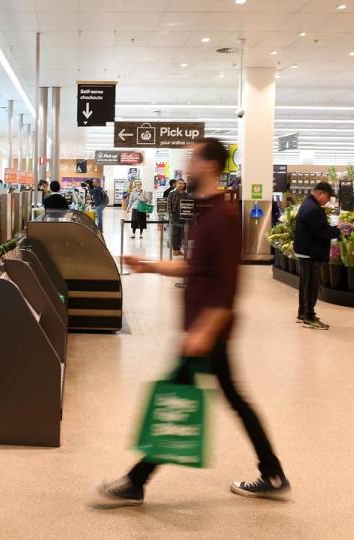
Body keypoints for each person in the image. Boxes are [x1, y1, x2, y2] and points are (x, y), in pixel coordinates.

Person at [98, 137, 289, 505]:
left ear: (211, 166)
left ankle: (137, 480)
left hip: (208, 331)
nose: (188, 165)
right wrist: (149, 265)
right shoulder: (208, 212)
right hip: (204, 330)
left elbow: (227, 285)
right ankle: (272, 472)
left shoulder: (224, 217)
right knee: (227, 398)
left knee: (178, 397)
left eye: (194, 158)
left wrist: (204, 331)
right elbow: (194, 267)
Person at [294, 181, 342, 330]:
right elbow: (323, 232)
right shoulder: (313, 209)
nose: (328, 201)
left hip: (306, 251)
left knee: (305, 284)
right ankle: (309, 317)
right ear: (320, 193)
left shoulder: (308, 204)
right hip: (311, 252)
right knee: (311, 285)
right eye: (328, 197)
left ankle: (303, 312)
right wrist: (339, 230)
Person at [169, 180, 188, 256]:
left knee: (181, 234)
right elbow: (169, 204)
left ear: (184, 185)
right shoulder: (172, 193)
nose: (181, 185)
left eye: (182, 183)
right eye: (179, 183)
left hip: (183, 216)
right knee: (175, 233)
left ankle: (179, 249)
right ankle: (175, 249)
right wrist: (170, 214)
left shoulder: (186, 194)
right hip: (175, 215)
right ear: (176, 184)